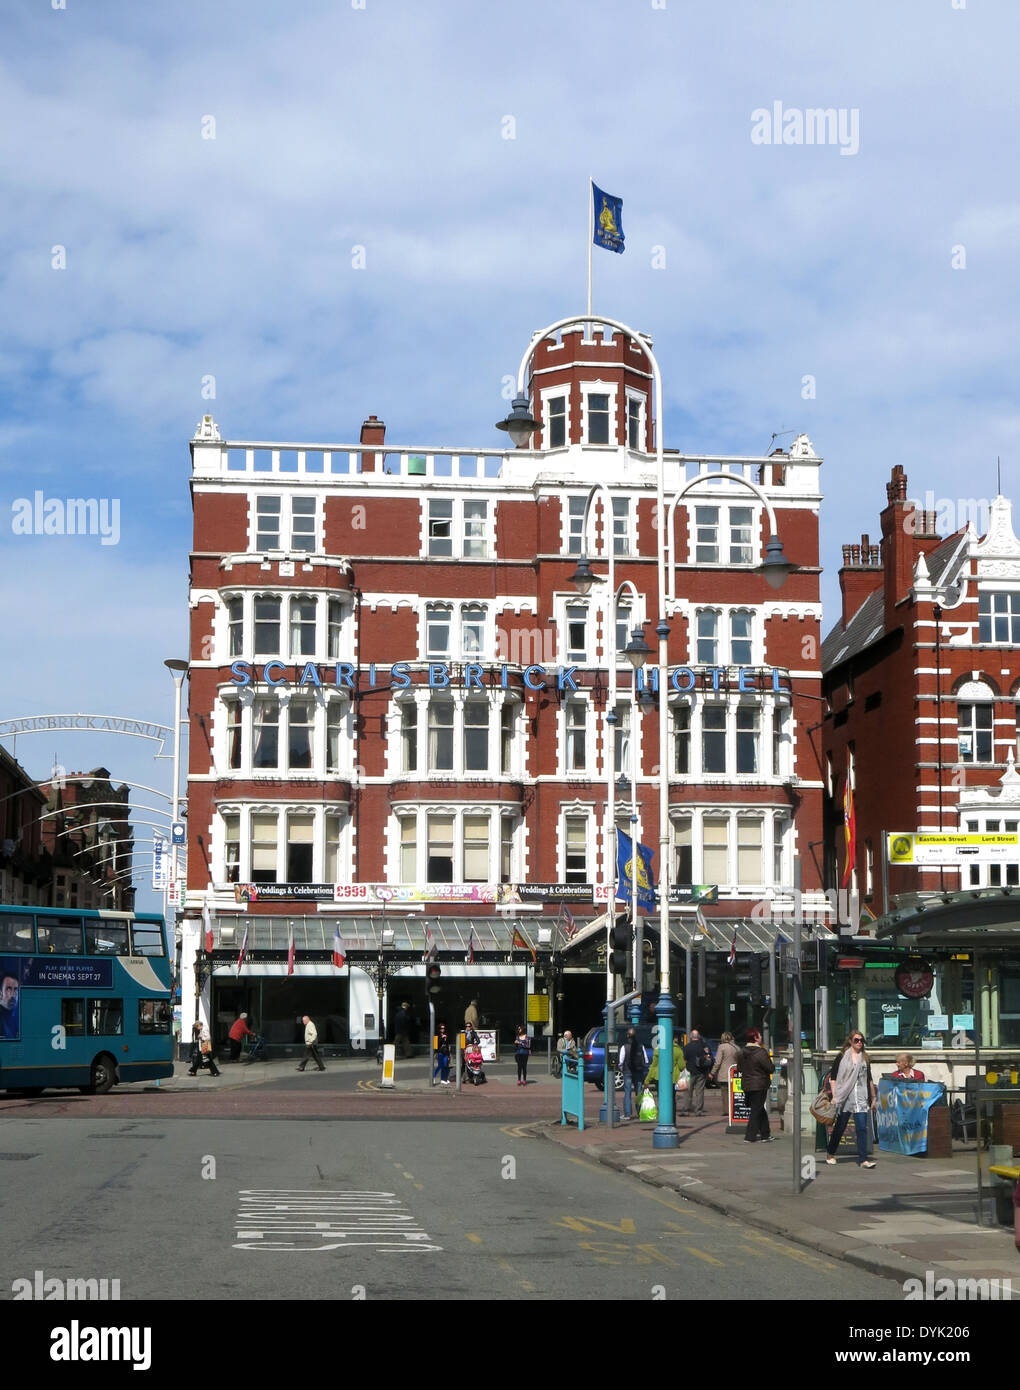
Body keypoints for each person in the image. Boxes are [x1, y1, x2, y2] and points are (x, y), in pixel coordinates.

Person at [824, 1031, 877, 1168]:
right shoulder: (842, 1057)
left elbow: (869, 1079)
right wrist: (835, 1096)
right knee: (840, 1127)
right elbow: (833, 1077)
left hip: (860, 1097)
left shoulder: (865, 1058)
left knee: (861, 1128)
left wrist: (873, 1098)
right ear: (850, 1041)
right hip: (845, 1097)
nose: (859, 1042)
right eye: (856, 1040)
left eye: (861, 1040)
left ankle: (863, 1159)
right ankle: (830, 1153)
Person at [739, 1028, 774, 1143]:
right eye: (759, 1035)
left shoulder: (742, 1052)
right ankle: (750, 1136)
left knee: (758, 1108)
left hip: (747, 1084)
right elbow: (770, 1068)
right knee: (756, 1109)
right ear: (755, 1038)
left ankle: (765, 1134)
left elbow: (739, 1068)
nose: (761, 1037)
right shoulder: (761, 1052)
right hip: (759, 1084)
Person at [618, 1026, 648, 1120]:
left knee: (627, 1092)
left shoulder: (624, 1047)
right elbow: (646, 1060)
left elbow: (620, 1061)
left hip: (627, 1071)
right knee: (639, 1092)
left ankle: (627, 1114)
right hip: (638, 1072)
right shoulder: (641, 1046)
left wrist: (622, 1069)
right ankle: (640, 1113)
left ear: (628, 1036)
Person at [682, 1028, 714, 1116]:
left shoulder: (687, 1047)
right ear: (699, 1036)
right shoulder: (704, 1046)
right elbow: (710, 1058)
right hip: (702, 1072)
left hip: (690, 1072)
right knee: (700, 1092)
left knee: (688, 1091)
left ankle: (686, 1110)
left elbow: (684, 1060)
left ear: (691, 1037)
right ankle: (699, 1110)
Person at [710, 1032, 741, 1115]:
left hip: (724, 1074)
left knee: (725, 1093)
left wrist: (712, 1073)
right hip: (735, 1073)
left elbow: (718, 1062)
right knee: (734, 1093)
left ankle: (727, 1111)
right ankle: (735, 1109)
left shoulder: (721, 1047)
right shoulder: (737, 1047)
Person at [0, 971, 20, 1041]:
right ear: (0, 993)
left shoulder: (20, 1016)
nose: (13, 995)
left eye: (15, 989)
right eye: (8, 989)